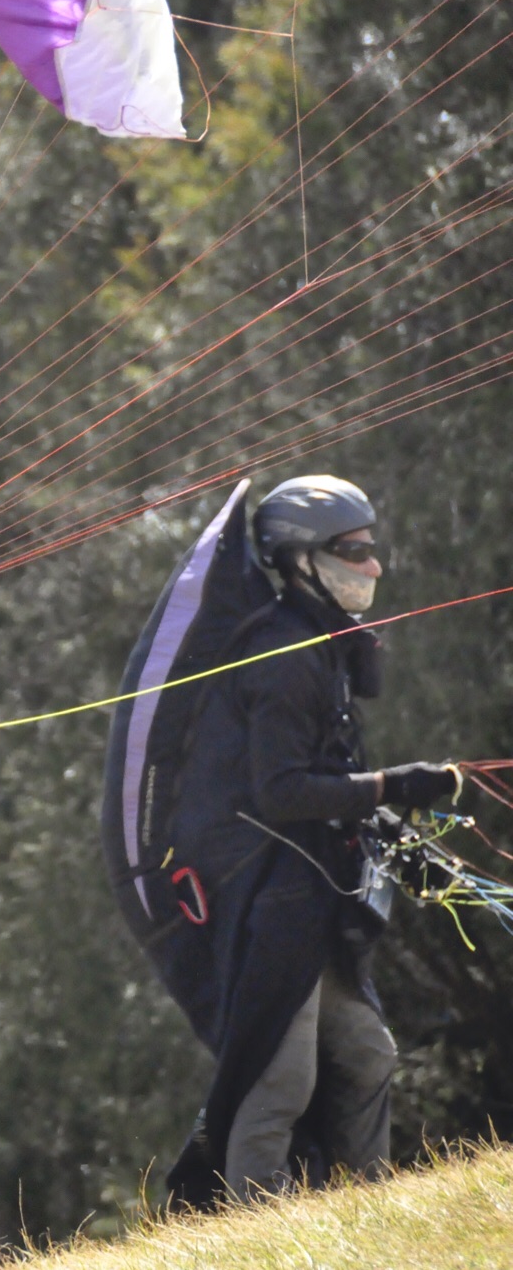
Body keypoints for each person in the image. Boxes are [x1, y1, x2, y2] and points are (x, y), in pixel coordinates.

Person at [164, 475, 459, 1203]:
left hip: (311, 895)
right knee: (280, 1078)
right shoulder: (285, 654)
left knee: (365, 1053)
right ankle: (254, 1233)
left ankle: (370, 1215)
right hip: (269, 901)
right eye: (353, 549)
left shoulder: (318, 642)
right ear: (301, 560)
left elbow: (330, 777)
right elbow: (283, 791)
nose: (374, 565)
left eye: (370, 546)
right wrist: (399, 785)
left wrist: (394, 834)